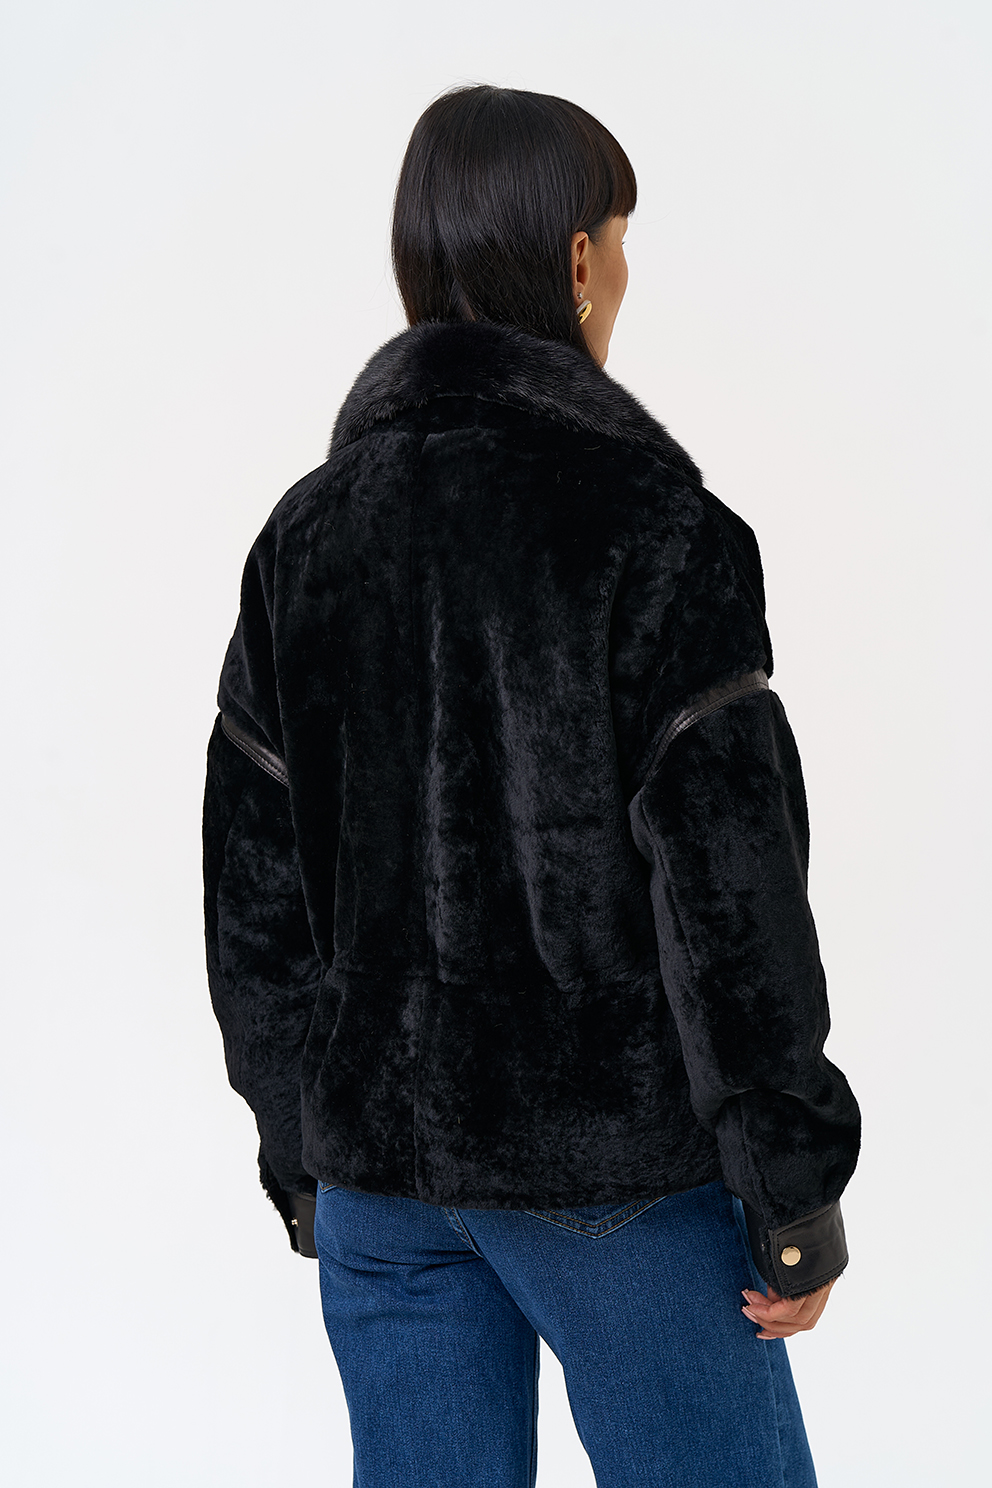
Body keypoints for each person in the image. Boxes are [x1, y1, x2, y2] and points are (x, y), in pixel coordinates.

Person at [203, 85, 860, 1487]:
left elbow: (251, 895)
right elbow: (730, 887)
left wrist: (304, 1146)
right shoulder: (660, 532)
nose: (622, 276)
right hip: (610, 1175)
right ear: (574, 258)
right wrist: (791, 1187)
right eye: (620, 241)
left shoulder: (302, 538)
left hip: (382, 1179)